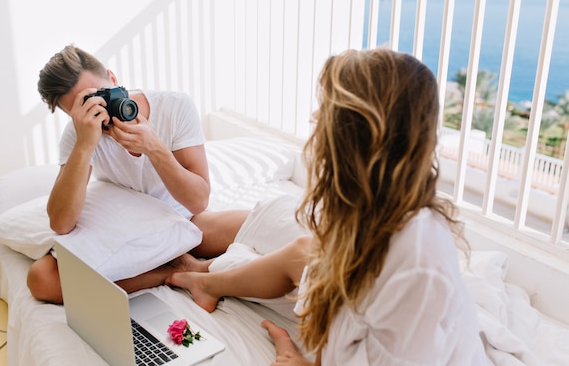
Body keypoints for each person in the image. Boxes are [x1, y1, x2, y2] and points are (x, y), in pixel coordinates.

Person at [167, 49, 487, 365]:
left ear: (353, 136)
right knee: (305, 251)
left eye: (326, 113)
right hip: (360, 319)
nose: (315, 120)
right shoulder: (372, 204)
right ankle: (204, 281)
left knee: (307, 255)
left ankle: (204, 277)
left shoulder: (417, 258)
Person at [27, 44, 249, 304]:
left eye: (99, 95)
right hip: (129, 230)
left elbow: (199, 200)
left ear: (113, 79)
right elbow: (61, 223)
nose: (99, 109)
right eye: (84, 106)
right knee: (42, 279)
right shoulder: (79, 135)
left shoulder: (173, 106)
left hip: (185, 220)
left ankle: (175, 257)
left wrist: (154, 148)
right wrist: (85, 145)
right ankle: (172, 271)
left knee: (260, 223)